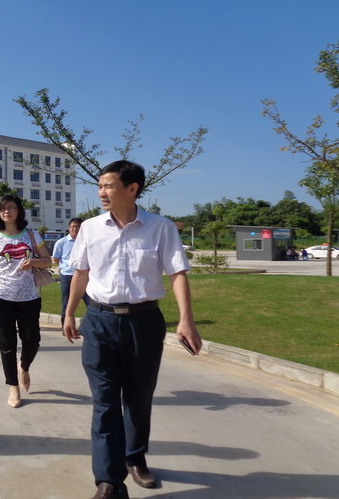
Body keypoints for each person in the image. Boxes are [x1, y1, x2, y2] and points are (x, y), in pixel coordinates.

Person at [63, 160, 202, 499]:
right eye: (99, 186)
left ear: (132, 189)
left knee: (138, 399)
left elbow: (177, 274)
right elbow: (81, 273)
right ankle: (109, 481)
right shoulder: (90, 228)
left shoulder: (160, 227)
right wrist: (68, 313)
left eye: (108, 186)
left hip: (143, 322)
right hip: (99, 321)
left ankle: (135, 458)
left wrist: (186, 319)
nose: (101, 193)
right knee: (105, 401)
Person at [0, 194, 52, 408]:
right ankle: (13, 386)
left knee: (32, 340)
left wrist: (33, 262)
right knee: (7, 345)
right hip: (1, 297)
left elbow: (48, 260)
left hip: (29, 298)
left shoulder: (32, 234)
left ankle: (24, 367)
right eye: (3, 208)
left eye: (11, 207)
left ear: (19, 211)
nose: (7, 211)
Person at [52, 217, 89, 325]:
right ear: (69, 228)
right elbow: (56, 258)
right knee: (66, 302)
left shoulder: (86, 241)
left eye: (78, 227)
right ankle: (66, 327)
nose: (75, 229)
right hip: (67, 276)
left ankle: (90, 327)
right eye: (73, 226)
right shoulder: (61, 242)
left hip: (83, 276)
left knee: (90, 303)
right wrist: (65, 268)